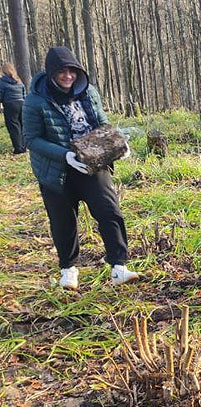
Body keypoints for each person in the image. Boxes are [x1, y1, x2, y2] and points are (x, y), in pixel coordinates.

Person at [23, 46, 137, 289]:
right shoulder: (35, 99)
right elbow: (31, 139)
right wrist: (65, 155)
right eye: (62, 71)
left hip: (92, 162)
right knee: (63, 220)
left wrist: (118, 145)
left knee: (109, 211)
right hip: (55, 171)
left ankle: (119, 267)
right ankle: (68, 271)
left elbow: (101, 122)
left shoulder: (88, 92)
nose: (68, 76)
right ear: (52, 73)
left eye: (72, 71)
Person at [0, 62, 27, 154]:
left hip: (10, 105)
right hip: (22, 104)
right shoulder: (19, 80)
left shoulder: (2, 81)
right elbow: (24, 93)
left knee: (13, 127)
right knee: (22, 125)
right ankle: (24, 146)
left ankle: (18, 148)